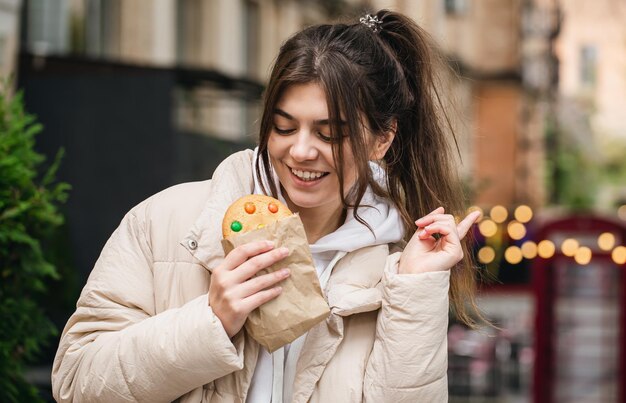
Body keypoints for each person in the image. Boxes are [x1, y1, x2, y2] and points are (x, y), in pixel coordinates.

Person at [52, 9, 483, 403]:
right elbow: (75, 382)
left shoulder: (395, 263)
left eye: (329, 134)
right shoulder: (166, 223)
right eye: (283, 126)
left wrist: (414, 290)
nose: (300, 151)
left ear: (382, 139)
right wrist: (210, 321)